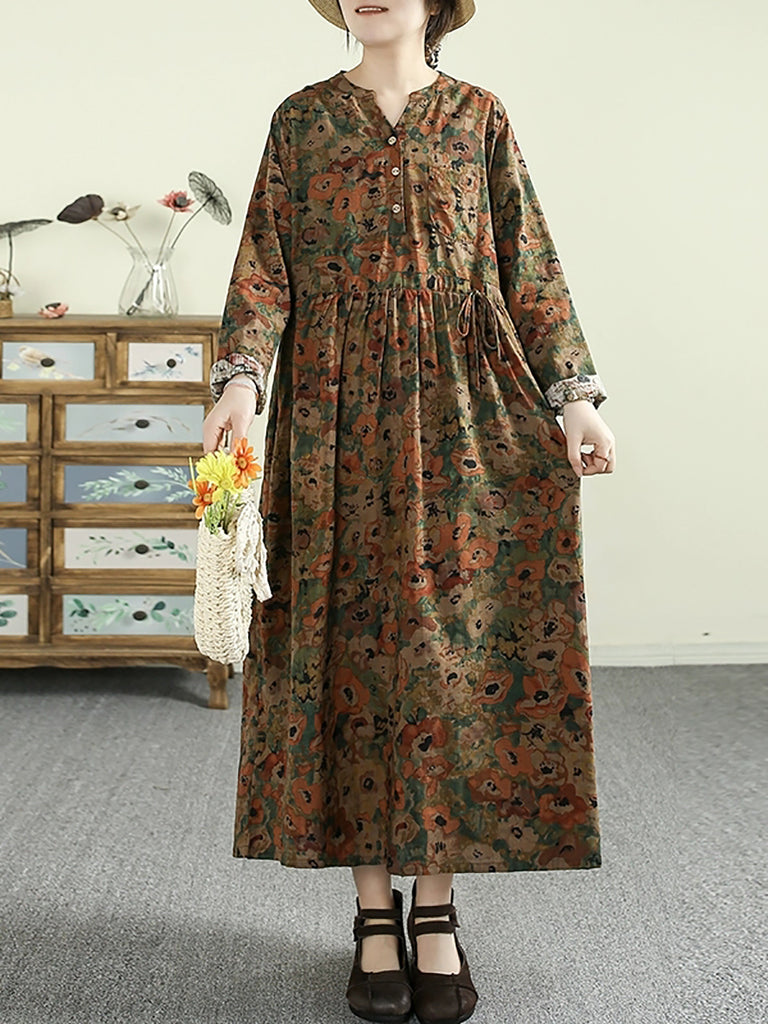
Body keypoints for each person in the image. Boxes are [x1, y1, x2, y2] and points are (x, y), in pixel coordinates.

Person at [202, 2, 616, 1022]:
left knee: (447, 658)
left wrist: (575, 401)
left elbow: (529, 267)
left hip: (467, 413)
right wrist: (242, 380)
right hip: (332, 420)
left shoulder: (480, 117)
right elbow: (264, 268)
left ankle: (435, 907)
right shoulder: (301, 120)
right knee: (346, 653)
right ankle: (370, 913)